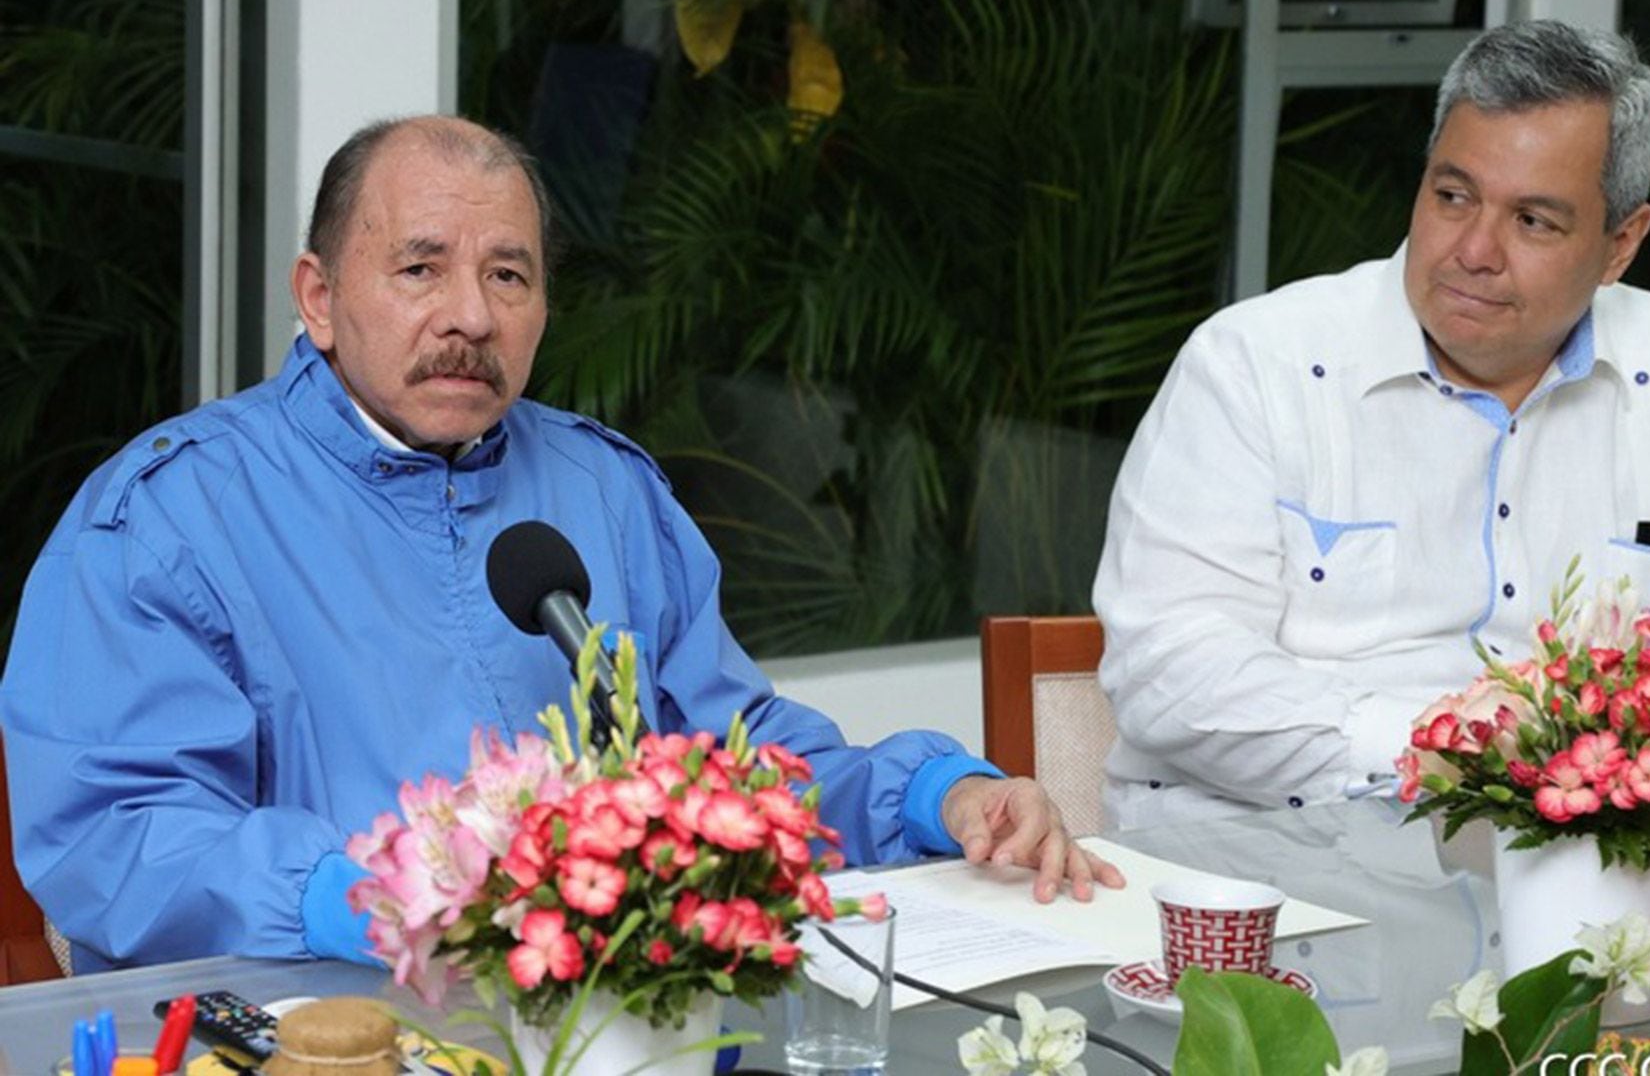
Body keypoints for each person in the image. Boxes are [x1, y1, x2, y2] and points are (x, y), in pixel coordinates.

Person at [0, 116, 1121, 973]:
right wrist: (374, 898)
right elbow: (119, 836)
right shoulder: (167, 515)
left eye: (508, 275)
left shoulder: (604, 490)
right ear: (320, 297)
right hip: (314, 1020)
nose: (471, 317)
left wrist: (932, 796)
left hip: (603, 1016)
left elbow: (732, 766)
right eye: (420, 268)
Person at [1093, 20, 1650, 831]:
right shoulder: (1255, 366)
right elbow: (1172, 668)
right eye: (1453, 196)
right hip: (1276, 855)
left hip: (1614, 856)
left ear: (1620, 244)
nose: (1473, 250)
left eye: (1533, 221)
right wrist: (1476, 755)